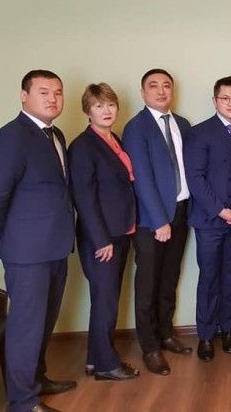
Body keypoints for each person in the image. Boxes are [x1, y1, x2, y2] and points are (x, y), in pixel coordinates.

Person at [0, 70, 76, 412]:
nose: (53, 99)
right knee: (26, 327)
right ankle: (22, 401)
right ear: (24, 96)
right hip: (26, 253)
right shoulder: (11, 137)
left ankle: (37, 380)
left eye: (58, 92)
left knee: (43, 322)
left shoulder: (55, 134)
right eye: (44, 92)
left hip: (56, 246)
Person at [122, 68, 193, 376]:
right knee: (148, 284)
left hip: (182, 212)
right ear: (143, 92)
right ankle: (150, 347)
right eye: (153, 86)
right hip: (152, 220)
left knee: (169, 279)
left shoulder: (183, 124)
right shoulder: (136, 127)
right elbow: (142, 178)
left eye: (166, 86)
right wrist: (159, 220)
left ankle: (165, 334)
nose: (161, 91)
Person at [68, 83, 139, 381]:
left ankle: (93, 359)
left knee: (105, 299)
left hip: (121, 231)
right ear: (88, 110)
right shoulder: (83, 146)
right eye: (99, 106)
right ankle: (107, 365)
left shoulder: (113, 139)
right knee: (106, 301)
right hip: (102, 239)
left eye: (110, 104)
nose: (106, 110)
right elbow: (84, 198)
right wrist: (101, 240)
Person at [183, 76, 231, 362]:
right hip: (210, 220)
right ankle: (205, 335)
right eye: (225, 98)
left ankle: (228, 330)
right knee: (209, 278)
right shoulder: (199, 132)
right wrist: (220, 210)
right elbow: (195, 178)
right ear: (215, 101)